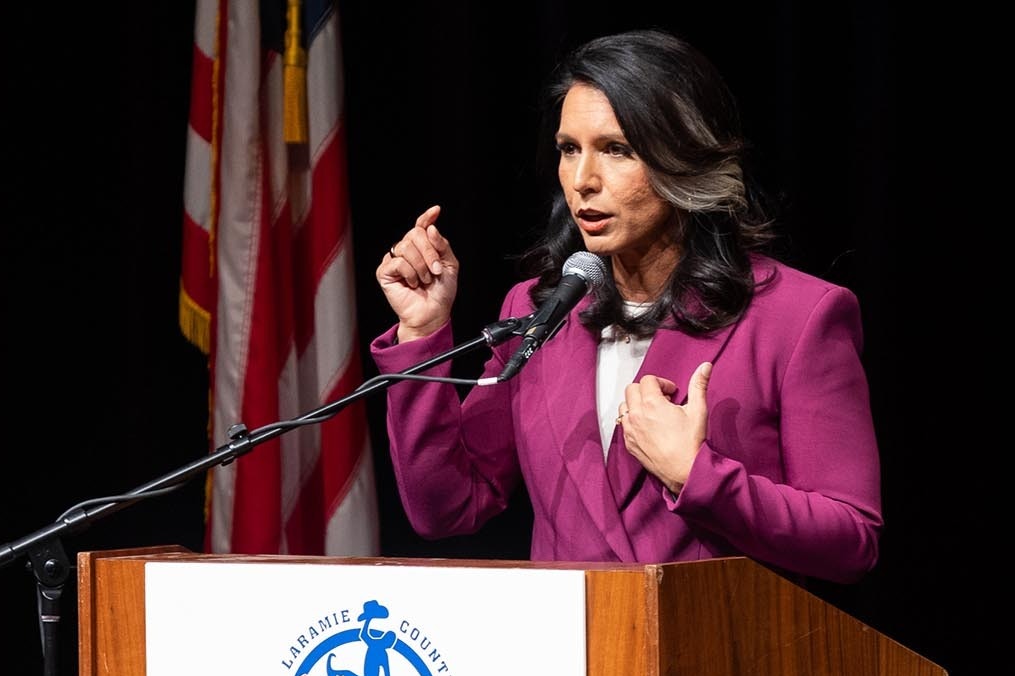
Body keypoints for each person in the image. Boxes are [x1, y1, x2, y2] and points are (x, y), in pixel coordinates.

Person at [368, 29, 881, 584]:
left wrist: (695, 476)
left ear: (681, 155)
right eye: (569, 150)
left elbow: (851, 538)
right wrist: (422, 331)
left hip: (721, 661)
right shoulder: (541, 311)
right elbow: (448, 507)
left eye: (617, 150)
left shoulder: (797, 316)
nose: (583, 181)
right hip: (571, 660)